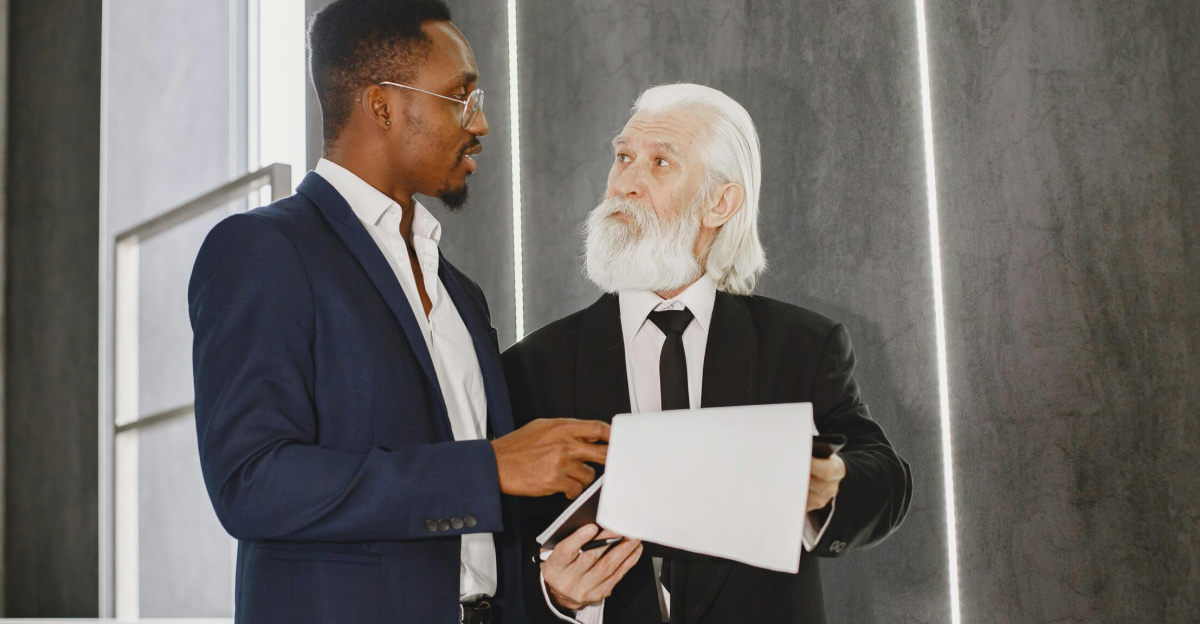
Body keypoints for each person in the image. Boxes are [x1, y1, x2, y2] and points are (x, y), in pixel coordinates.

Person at [188, 1, 607, 622]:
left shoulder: (462, 291)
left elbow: (480, 535)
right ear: (382, 105)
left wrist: (553, 595)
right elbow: (251, 483)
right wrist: (486, 468)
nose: (483, 122)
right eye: (461, 97)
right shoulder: (264, 251)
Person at [502, 84, 913, 624]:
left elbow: (885, 479)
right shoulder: (532, 365)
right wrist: (556, 595)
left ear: (721, 203)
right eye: (622, 157)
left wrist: (827, 486)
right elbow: (496, 559)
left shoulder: (803, 345)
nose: (625, 183)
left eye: (660, 162)